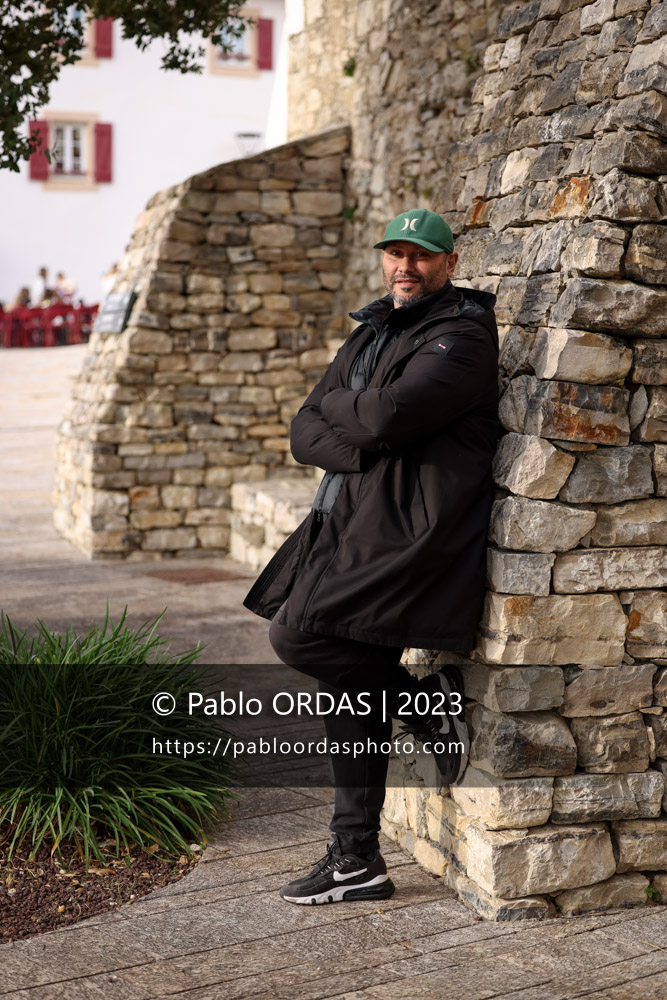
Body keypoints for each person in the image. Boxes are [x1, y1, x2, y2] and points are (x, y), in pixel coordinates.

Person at [244, 208, 499, 905]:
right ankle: (357, 857)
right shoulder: (372, 331)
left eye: (419, 256)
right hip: (356, 523)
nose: (404, 268)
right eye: (394, 253)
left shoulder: (463, 334)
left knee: (295, 634)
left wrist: (355, 416)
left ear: (448, 263)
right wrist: (362, 432)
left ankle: (421, 706)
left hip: (414, 533)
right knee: (350, 678)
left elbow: (389, 416)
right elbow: (304, 428)